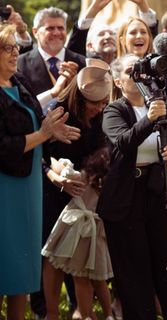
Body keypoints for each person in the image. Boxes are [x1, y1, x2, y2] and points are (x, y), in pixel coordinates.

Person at [98, 54, 167, 320]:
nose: (138, 75)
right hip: (126, 200)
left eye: (140, 69)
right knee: (135, 277)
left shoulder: (159, 103)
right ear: (118, 81)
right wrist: (148, 119)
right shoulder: (114, 110)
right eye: (132, 71)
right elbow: (123, 142)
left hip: (159, 193)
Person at [0, 22, 80, 320]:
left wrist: (52, 130)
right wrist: (43, 134)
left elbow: (34, 114)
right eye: (8, 48)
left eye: (15, 48)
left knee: (23, 267)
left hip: (28, 185)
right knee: (4, 262)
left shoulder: (18, 83)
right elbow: (4, 146)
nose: (15, 54)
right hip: (5, 188)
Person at [41, 59, 112, 320]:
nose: (100, 108)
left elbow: (104, 151)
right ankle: (50, 313)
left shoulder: (102, 115)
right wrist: (53, 175)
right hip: (52, 192)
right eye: (95, 103)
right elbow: (36, 153)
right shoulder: (57, 111)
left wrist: (92, 174)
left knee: (83, 261)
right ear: (80, 98)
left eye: (104, 103)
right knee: (52, 255)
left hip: (85, 195)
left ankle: (87, 312)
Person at [42, 150, 114, 320]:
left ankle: (86, 314)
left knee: (80, 277)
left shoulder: (84, 177)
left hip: (79, 234)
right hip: (94, 235)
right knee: (97, 280)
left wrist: (63, 164)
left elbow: (67, 173)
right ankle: (106, 314)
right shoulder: (109, 185)